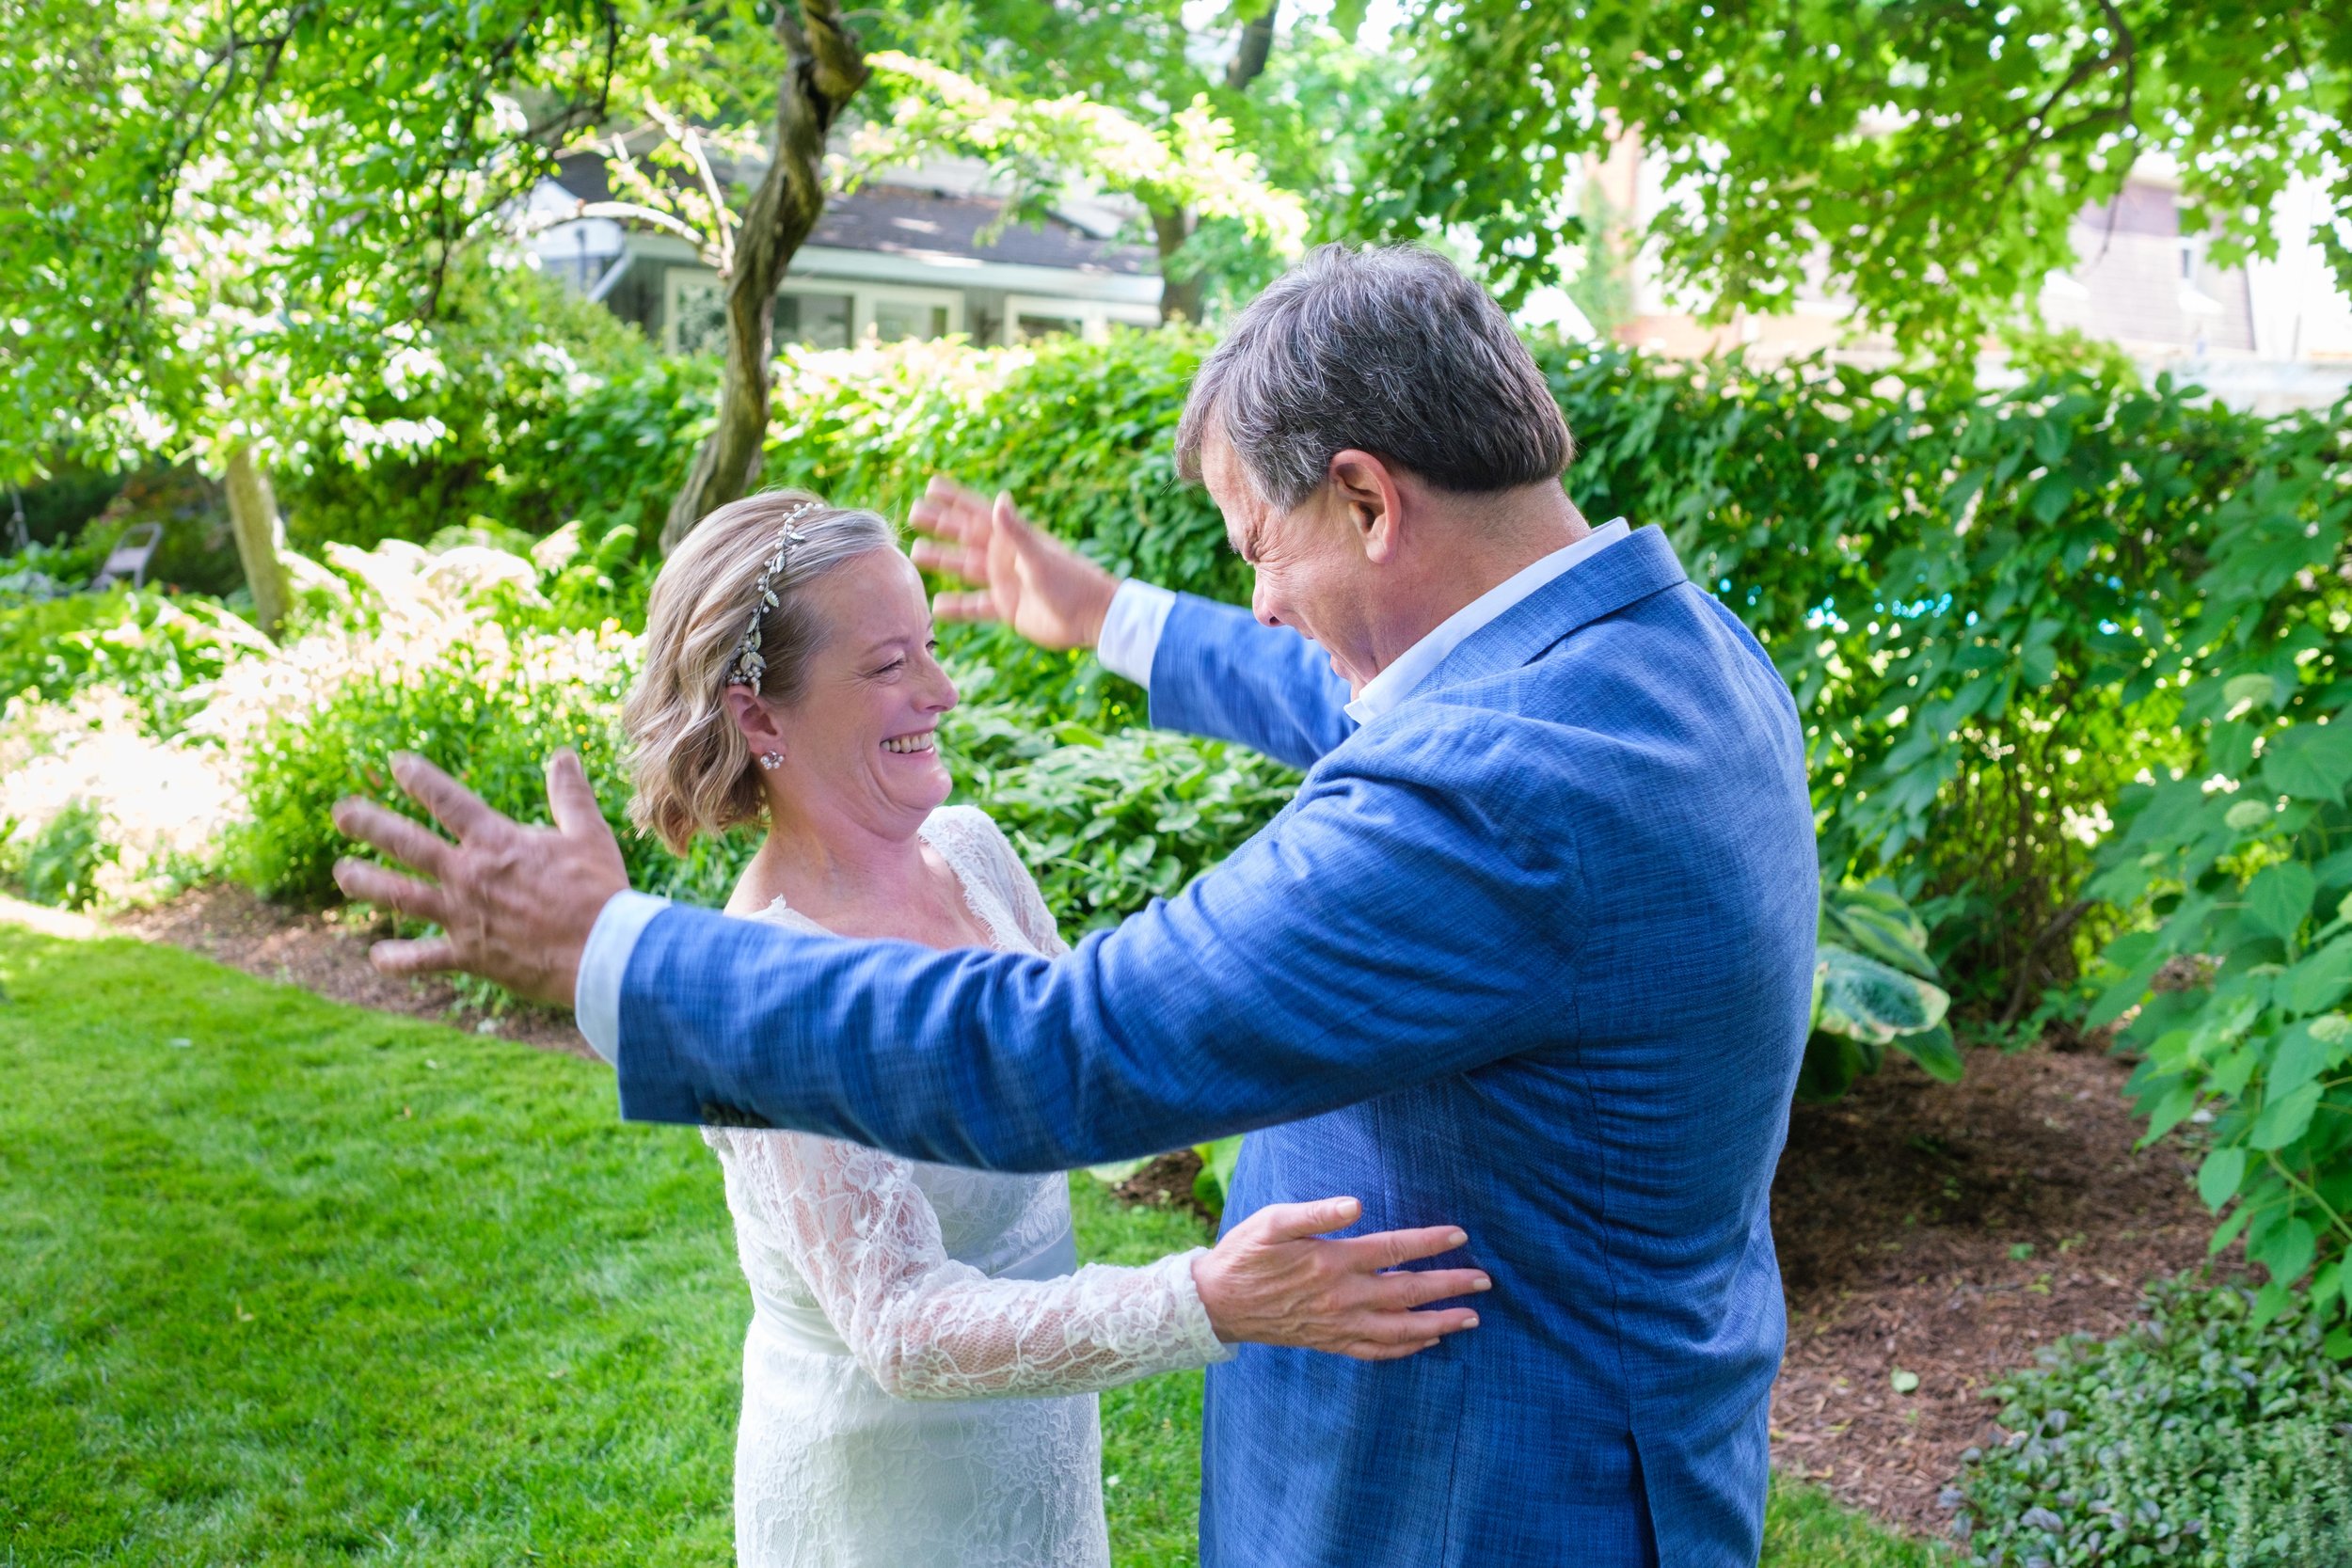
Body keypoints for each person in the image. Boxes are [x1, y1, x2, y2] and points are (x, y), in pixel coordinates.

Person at [335, 243, 1819, 1568]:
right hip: (1608, 1429)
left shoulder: (1490, 790)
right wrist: (1111, 617)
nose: (1265, 606)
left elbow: (1071, 1048)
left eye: (1257, 548)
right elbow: (1386, 692)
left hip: (1466, 1488)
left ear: (1368, 497)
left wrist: (625, 957)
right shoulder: (1660, 647)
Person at [606, 487, 1486, 1567]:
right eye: (889, 666)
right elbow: (899, 1327)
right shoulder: (761, 982)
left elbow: (1085, 1070)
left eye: (930, 645)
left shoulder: (969, 849)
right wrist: (1206, 1296)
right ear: (758, 716)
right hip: (886, 1491)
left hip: (1040, 1446)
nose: (943, 688)